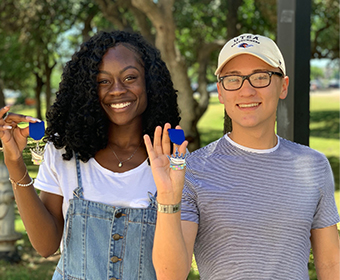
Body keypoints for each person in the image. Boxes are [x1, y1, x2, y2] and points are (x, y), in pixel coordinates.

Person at [145, 33, 340, 279]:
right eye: (233, 79)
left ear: (283, 86)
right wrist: (168, 198)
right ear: (221, 92)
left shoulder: (314, 166)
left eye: (260, 77)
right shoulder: (191, 170)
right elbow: (170, 275)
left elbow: (332, 265)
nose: (246, 90)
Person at [0, 30, 181, 280]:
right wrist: (14, 162)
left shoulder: (173, 160)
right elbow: (45, 246)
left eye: (130, 77)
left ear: (150, 83)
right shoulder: (63, 152)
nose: (117, 90)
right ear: (87, 89)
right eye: (102, 81)